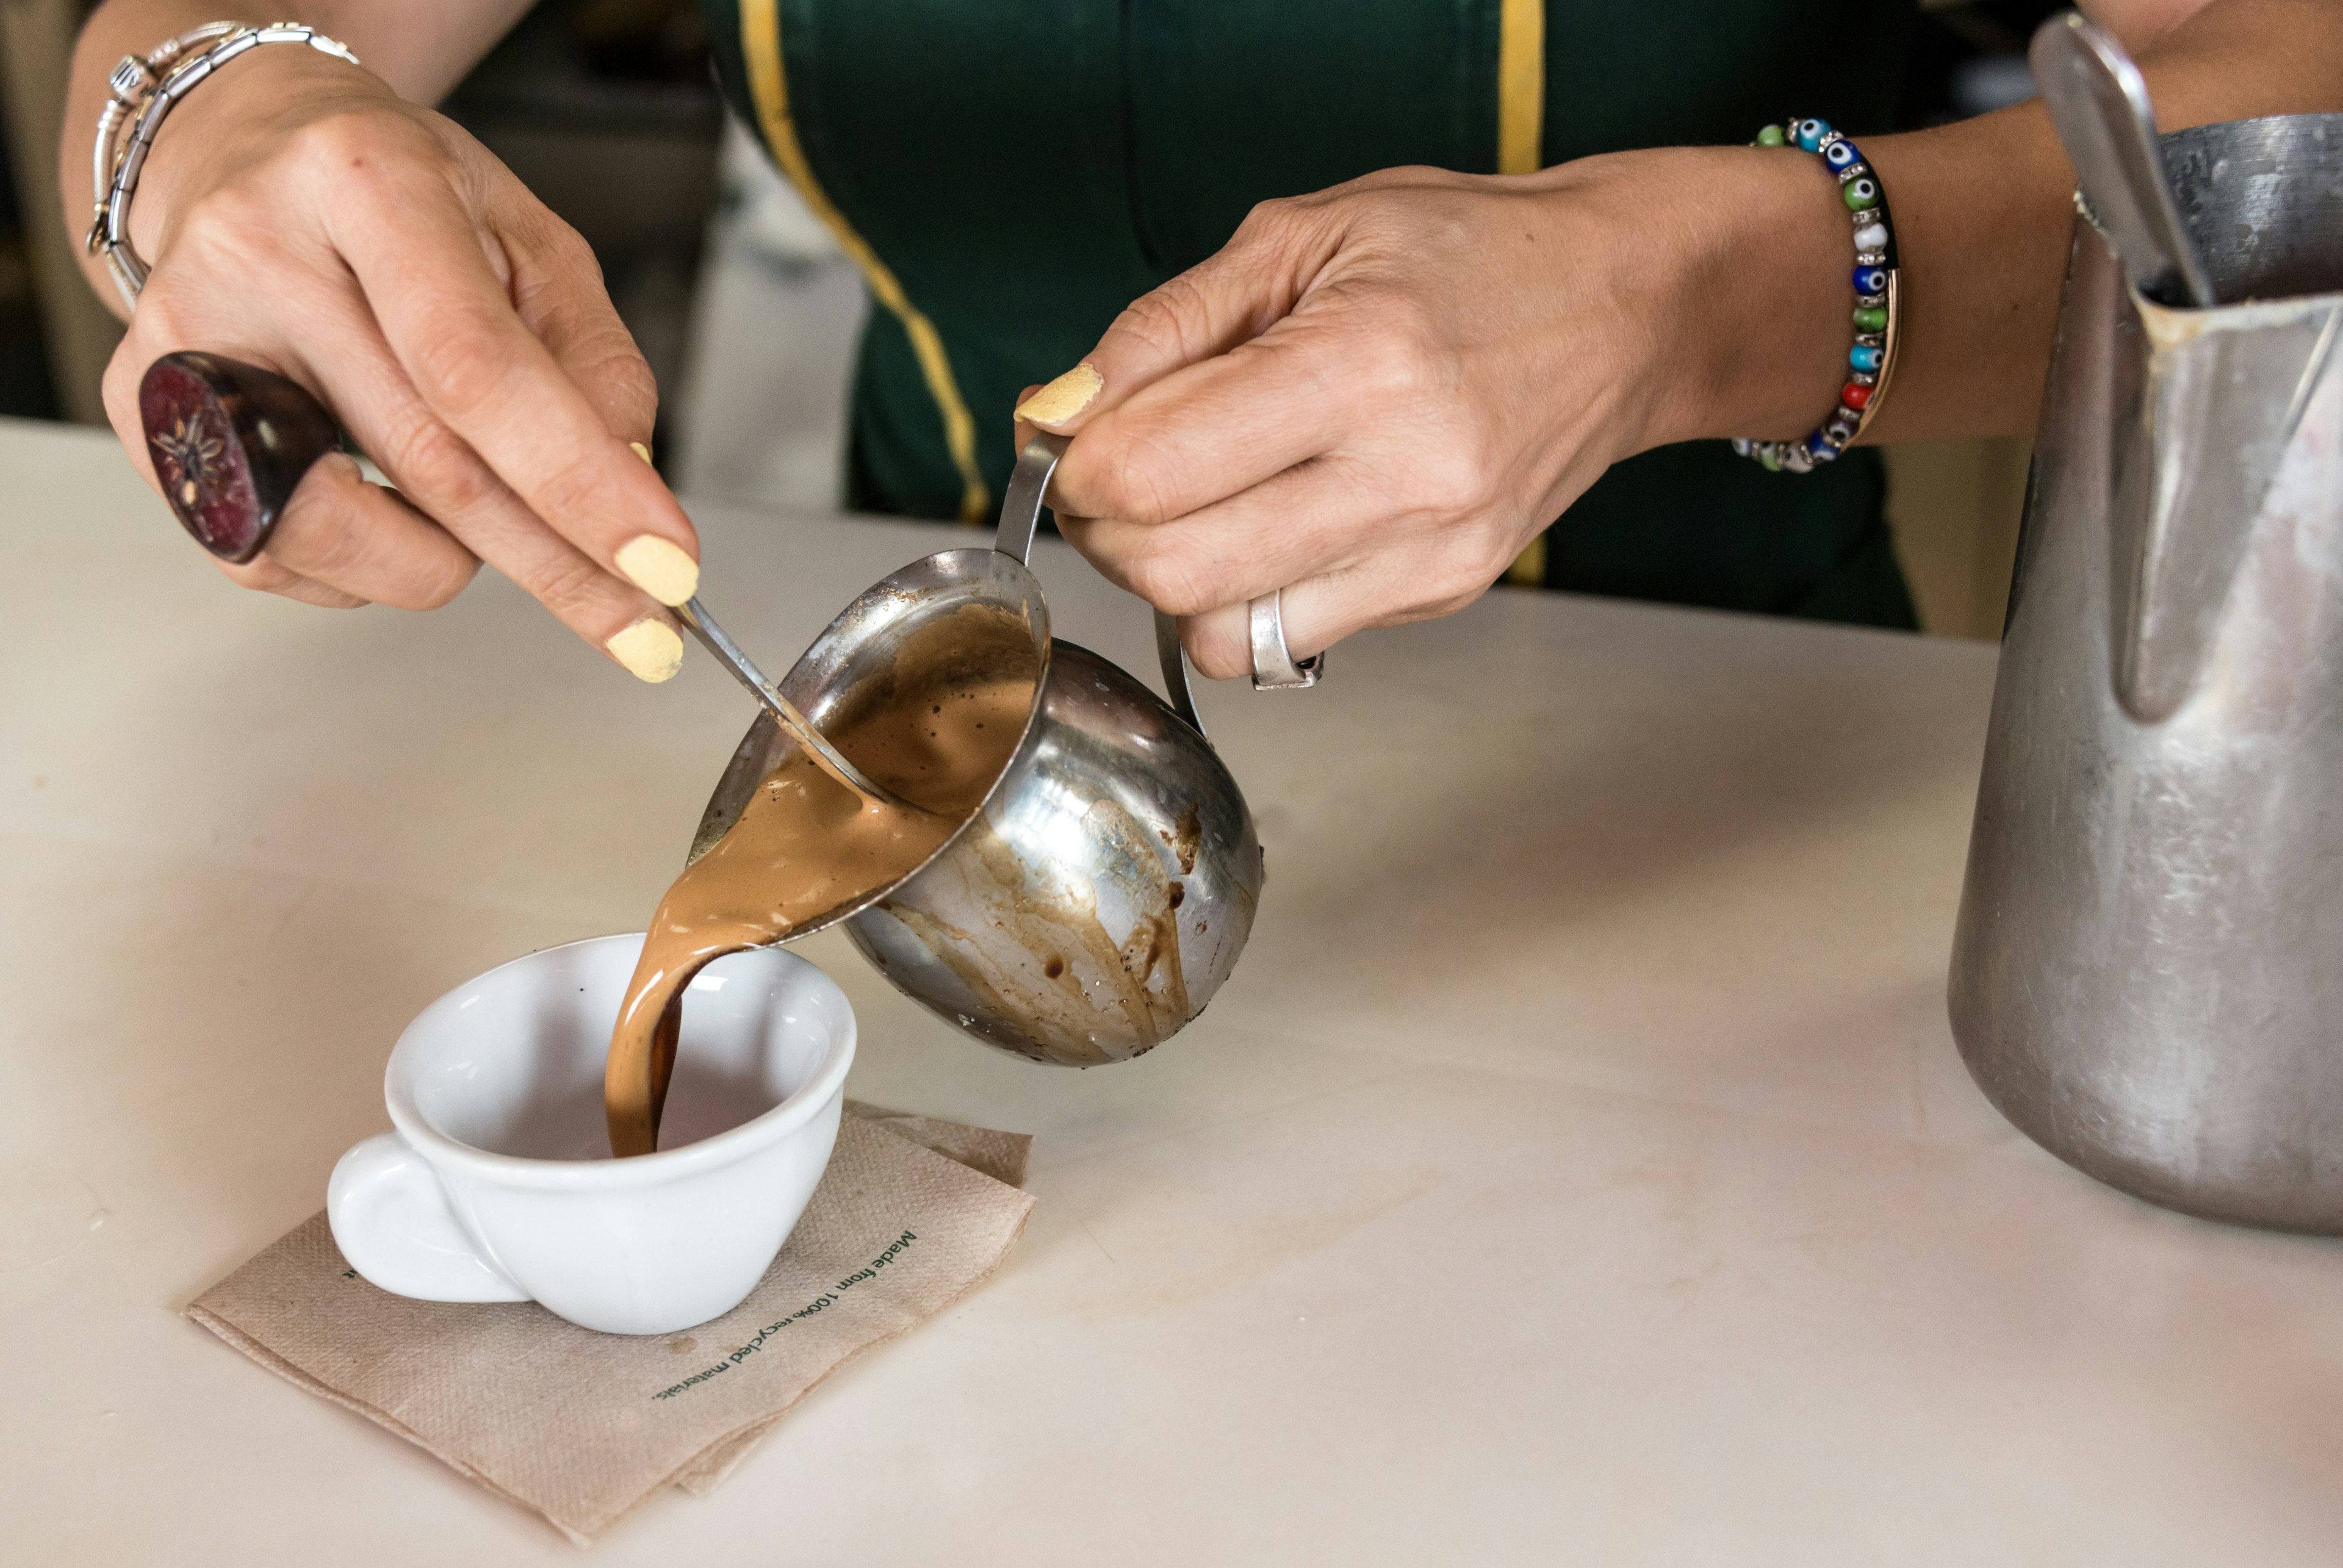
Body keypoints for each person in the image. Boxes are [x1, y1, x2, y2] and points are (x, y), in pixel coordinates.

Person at [59, 0, 2343, 688]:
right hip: (945, 736)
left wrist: (1684, 301)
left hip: (1706, 772)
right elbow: (205, 31)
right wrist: (225, 126)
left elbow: (2284, 114)